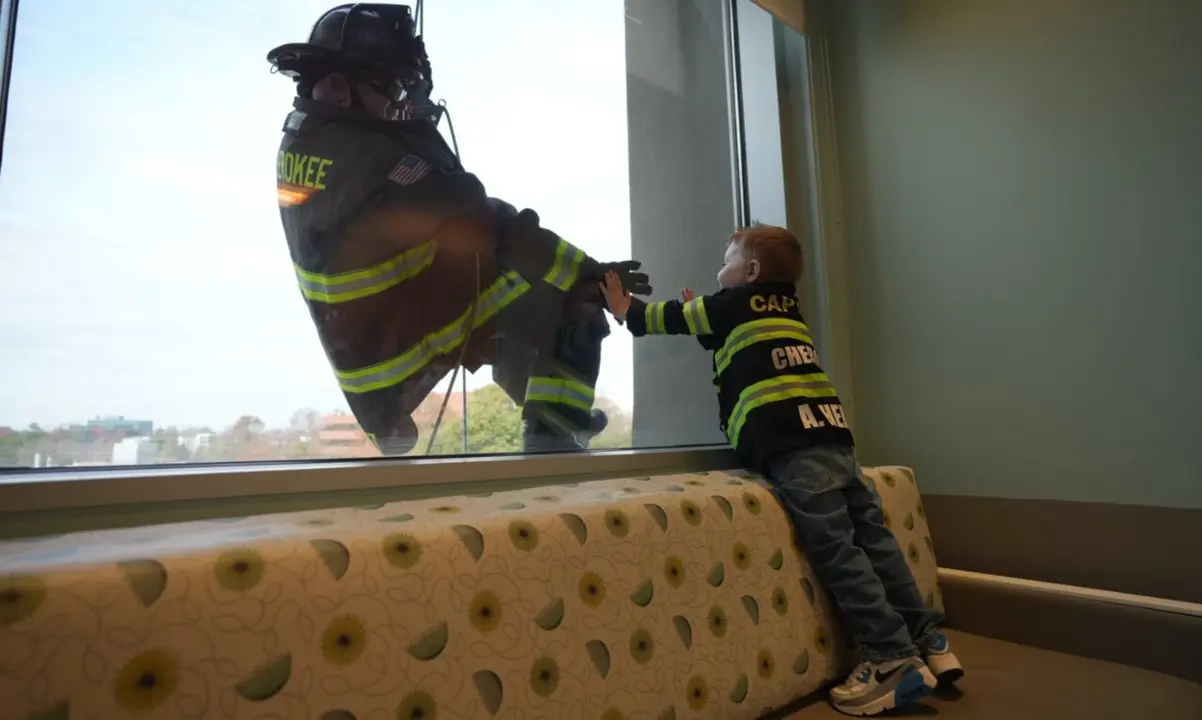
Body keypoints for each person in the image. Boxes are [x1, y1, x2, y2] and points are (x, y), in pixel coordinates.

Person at [599, 224, 963, 717]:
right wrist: (708, 317)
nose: (718, 272)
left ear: (750, 272)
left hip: (794, 448)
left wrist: (627, 310)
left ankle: (891, 659)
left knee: (838, 552)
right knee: (875, 541)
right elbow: (732, 339)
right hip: (834, 437)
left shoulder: (732, 303)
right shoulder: (787, 309)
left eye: (726, 262)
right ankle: (931, 641)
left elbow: (669, 319)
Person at [267, 3, 651, 455]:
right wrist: (590, 270)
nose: (400, 100)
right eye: (389, 85)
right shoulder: (378, 160)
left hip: (375, 337)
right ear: (337, 87)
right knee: (571, 293)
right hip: (398, 342)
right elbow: (480, 208)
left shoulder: (310, 140)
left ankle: (549, 421)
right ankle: (553, 435)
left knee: (516, 290)